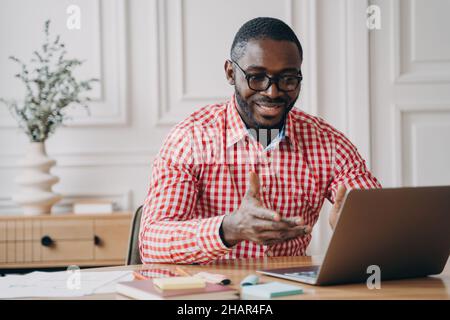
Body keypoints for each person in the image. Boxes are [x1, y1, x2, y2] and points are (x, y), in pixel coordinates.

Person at [139, 17, 381, 264]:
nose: (272, 92)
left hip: (292, 290)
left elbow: (383, 218)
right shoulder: (190, 139)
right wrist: (229, 229)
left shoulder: (327, 143)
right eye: (256, 77)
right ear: (231, 73)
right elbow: (151, 242)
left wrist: (357, 230)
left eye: (287, 79)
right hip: (213, 291)